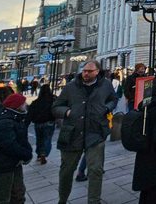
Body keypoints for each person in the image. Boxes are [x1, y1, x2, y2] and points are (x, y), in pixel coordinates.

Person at [53, 61, 118, 204]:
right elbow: (56, 106)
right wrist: (67, 112)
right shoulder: (71, 87)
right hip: (72, 133)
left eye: (89, 71)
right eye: (84, 71)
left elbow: (113, 99)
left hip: (96, 132)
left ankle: (94, 201)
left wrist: (107, 108)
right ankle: (62, 200)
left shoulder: (105, 85)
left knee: (95, 170)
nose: (86, 73)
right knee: (66, 171)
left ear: (97, 72)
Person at [0, 93, 33, 204]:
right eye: (23, 103)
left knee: (18, 194)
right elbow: (9, 145)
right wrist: (26, 154)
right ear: (17, 106)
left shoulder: (14, 118)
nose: (26, 105)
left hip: (13, 163)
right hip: (3, 165)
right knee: (3, 198)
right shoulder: (5, 122)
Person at [131, 83, 156, 204]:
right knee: (155, 190)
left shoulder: (146, 105)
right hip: (155, 155)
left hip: (144, 153)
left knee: (146, 191)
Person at [28, 84, 56, 164]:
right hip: (49, 122)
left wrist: (26, 123)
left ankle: (39, 154)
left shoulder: (36, 102)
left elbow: (30, 113)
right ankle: (44, 153)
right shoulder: (52, 100)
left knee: (39, 139)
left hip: (38, 123)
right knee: (47, 139)